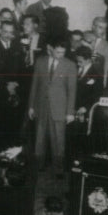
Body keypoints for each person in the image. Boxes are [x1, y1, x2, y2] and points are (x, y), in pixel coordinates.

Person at [28, 38, 77, 176]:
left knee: (58, 140)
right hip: (41, 106)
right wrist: (31, 106)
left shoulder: (70, 65)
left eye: (63, 53)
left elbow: (72, 90)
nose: (60, 55)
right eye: (58, 52)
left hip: (60, 108)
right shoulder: (40, 61)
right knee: (39, 138)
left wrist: (70, 112)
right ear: (50, 48)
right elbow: (34, 85)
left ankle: (58, 169)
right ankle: (38, 167)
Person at [0, 19, 26, 150]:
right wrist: (6, 84)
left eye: (11, 32)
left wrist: (17, 84)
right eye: (5, 31)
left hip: (16, 92)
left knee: (13, 126)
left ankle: (11, 154)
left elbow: (23, 69)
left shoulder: (18, 47)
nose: (8, 35)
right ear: (0, 31)